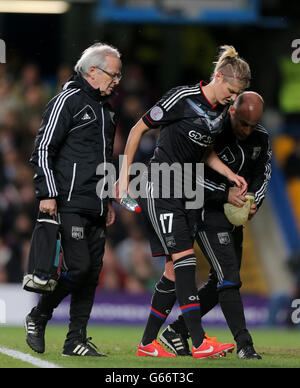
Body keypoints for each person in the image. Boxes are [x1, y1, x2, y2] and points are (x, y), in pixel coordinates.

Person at [116, 45, 251, 359]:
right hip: (161, 185)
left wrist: (231, 175)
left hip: (186, 192)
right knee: (186, 261)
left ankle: (147, 344)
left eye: (238, 94)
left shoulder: (219, 113)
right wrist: (124, 177)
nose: (234, 98)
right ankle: (200, 341)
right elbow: (137, 129)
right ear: (218, 76)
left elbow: (204, 151)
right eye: (232, 91)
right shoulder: (182, 98)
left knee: (174, 270)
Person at [24, 43, 122, 357]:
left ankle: (75, 340)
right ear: (92, 71)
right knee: (78, 268)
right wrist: (48, 192)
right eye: (113, 74)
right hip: (66, 200)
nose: (117, 81)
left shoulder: (107, 110)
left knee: (92, 273)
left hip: (95, 204)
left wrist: (107, 200)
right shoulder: (66, 100)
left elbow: (105, 160)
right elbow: (43, 149)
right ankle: (39, 315)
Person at [159, 92, 271, 359]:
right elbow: (191, 174)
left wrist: (255, 200)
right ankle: (245, 345)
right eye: (243, 123)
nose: (247, 130)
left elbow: (263, 172)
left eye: (253, 125)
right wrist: (224, 194)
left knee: (219, 282)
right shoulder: (211, 132)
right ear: (232, 112)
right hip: (206, 213)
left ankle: (176, 330)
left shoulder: (261, 137)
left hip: (234, 216)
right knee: (229, 278)